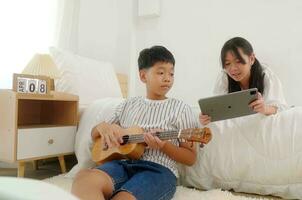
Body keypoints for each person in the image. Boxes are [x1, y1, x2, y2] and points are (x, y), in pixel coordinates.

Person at [71, 46, 199, 200]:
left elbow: (190, 158)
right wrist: (104, 127)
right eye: (161, 72)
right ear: (143, 76)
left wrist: (164, 145)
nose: (167, 78)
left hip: (158, 171)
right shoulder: (127, 104)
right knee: (83, 179)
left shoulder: (182, 109)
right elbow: (95, 135)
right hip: (121, 164)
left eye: (171, 73)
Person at [200, 37, 288, 125]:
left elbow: (281, 109)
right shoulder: (224, 77)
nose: (233, 69)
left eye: (238, 61)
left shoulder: (266, 75)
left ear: (252, 59)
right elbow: (217, 108)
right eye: (227, 64)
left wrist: (264, 108)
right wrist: (206, 118)